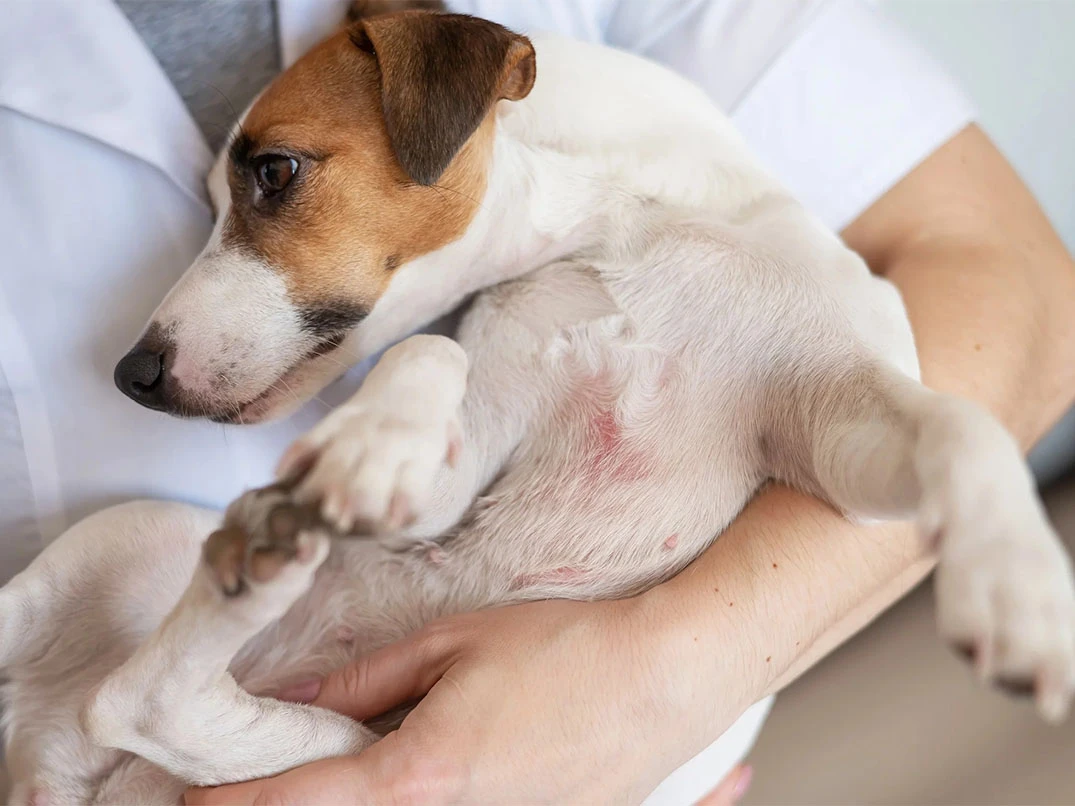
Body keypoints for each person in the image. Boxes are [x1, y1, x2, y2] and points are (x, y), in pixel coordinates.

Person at [2, 0, 1073, 803]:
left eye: (273, 183)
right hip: (140, 699)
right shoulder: (523, 298)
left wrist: (662, 677)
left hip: (329, 736)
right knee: (141, 557)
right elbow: (427, 494)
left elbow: (1001, 298)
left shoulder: (774, 278)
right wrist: (413, 390)